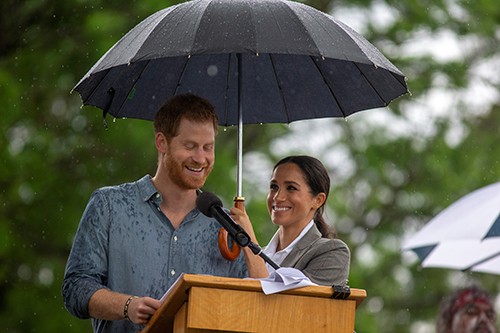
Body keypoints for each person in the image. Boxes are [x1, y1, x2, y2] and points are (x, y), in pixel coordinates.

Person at [62, 93, 247, 333]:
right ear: (162, 142)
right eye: (190, 146)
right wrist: (127, 306)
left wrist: (248, 238)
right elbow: (75, 288)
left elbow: (247, 308)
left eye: (207, 148)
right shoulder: (109, 205)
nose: (201, 158)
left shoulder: (227, 226)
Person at [231, 155, 350, 286]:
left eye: (291, 188)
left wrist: (248, 242)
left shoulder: (331, 252)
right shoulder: (259, 255)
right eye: (274, 187)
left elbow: (278, 303)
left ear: (318, 200)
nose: (278, 197)